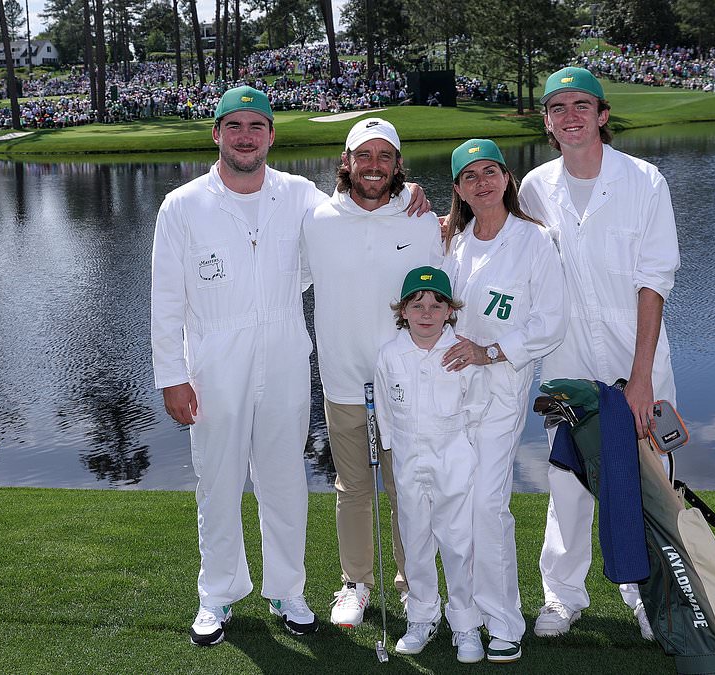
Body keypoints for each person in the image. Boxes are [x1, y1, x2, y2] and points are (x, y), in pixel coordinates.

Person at [150, 85, 326, 647]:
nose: (246, 136)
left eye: (257, 126)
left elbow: (353, 227)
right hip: (212, 360)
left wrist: (409, 197)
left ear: (272, 135)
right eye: (235, 125)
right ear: (217, 134)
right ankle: (218, 595)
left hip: (284, 352)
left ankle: (288, 591)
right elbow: (166, 299)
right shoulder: (182, 204)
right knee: (218, 481)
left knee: (283, 480)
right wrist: (171, 375)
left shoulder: (300, 195)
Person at [519, 66, 680, 642]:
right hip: (565, 359)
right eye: (557, 107)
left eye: (581, 105)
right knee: (568, 479)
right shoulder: (535, 186)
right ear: (547, 122)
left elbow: (654, 280)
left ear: (602, 115)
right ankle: (562, 598)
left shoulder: (645, 180)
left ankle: (647, 596)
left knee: (644, 480)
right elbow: (495, 235)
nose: (570, 116)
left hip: (636, 355)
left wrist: (641, 380)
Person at [300, 117, 443, 627]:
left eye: (385, 157)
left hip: (403, 385)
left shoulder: (420, 221)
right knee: (353, 485)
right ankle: (355, 583)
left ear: (398, 165)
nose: (374, 166)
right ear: (346, 161)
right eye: (364, 155)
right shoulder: (317, 220)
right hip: (342, 380)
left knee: (407, 486)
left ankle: (413, 584)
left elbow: (447, 287)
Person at [439, 139, 567, 662]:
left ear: (507, 179)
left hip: (501, 388)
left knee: (488, 504)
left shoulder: (535, 241)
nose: (482, 183)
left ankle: (504, 620)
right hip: (451, 392)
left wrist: (490, 352)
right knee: (455, 502)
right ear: (459, 190)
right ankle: (462, 613)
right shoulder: (454, 242)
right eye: (470, 177)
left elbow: (549, 324)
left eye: (490, 172)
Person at [374, 266, 488, 664]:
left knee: (458, 544)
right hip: (408, 461)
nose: (427, 312)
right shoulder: (390, 354)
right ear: (402, 311)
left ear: (450, 312)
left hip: (453, 458)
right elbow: (385, 411)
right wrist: (389, 446)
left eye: (436, 305)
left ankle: (465, 623)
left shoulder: (461, 352)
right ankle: (422, 615)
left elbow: (476, 406)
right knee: (416, 542)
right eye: (417, 305)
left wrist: (468, 451)